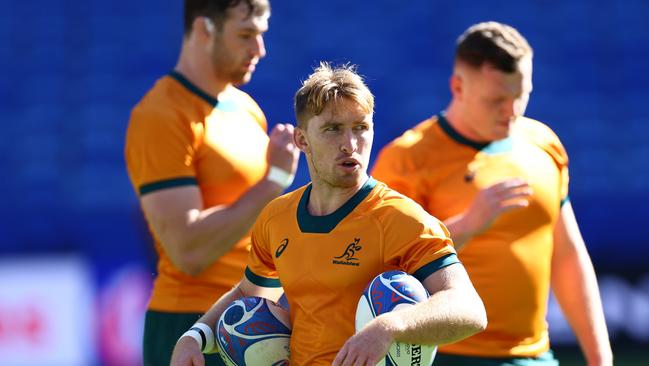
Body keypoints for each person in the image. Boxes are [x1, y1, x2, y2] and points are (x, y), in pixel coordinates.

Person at [170, 63, 487, 366]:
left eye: (360, 128)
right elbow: (249, 293)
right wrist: (195, 336)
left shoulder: (401, 218)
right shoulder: (276, 218)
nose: (350, 144)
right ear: (302, 140)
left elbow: (469, 308)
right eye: (333, 129)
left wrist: (392, 325)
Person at [372, 21, 612, 366]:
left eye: (521, 95)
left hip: (534, 355)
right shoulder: (407, 159)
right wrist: (468, 224)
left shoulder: (543, 143)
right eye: (496, 100)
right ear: (458, 86)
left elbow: (567, 255)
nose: (511, 111)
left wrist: (600, 359)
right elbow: (386, 274)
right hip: (445, 356)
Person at [124, 1, 300, 365]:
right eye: (246, 35)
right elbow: (188, 251)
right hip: (188, 325)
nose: (259, 49)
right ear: (205, 29)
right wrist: (273, 182)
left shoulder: (247, 108)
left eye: (261, 35)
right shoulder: (160, 115)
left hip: (258, 319)